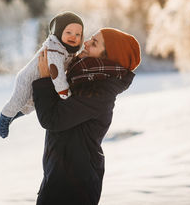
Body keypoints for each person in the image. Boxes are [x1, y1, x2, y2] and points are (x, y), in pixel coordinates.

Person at [32, 27, 141, 205]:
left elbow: (52, 119)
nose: (86, 42)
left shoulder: (100, 93)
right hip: (57, 181)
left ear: (106, 57)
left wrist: (44, 80)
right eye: (90, 38)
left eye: (94, 43)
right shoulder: (81, 78)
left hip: (74, 190)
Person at [0, 11, 84, 138]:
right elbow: (56, 74)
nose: (73, 37)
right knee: (18, 101)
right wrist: (65, 94)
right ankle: (4, 119)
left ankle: (12, 116)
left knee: (30, 106)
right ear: (59, 33)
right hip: (27, 78)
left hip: (40, 81)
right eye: (68, 32)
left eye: (78, 34)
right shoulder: (55, 49)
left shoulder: (66, 50)